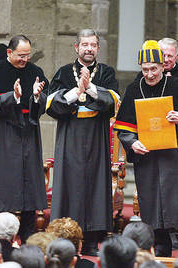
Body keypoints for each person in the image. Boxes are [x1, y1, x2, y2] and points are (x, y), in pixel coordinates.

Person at [114, 40, 178, 257]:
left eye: (154, 69)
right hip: (147, 156)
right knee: (152, 202)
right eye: (145, 69)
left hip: (175, 155)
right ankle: (161, 246)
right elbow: (124, 126)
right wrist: (132, 142)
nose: (150, 74)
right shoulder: (135, 88)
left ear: (163, 66)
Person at [47, 29, 119, 256]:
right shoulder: (63, 73)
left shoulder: (106, 73)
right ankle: (66, 240)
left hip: (97, 135)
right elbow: (50, 104)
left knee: (95, 186)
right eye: (85, 44)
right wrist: (76, 91)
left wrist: (91, 89)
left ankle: (90, 242)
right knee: (70, 185)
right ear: (76, 47)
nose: (89, 48)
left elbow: (115, 101)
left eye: (93, 45)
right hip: (70, 134)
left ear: (98, 48)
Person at [0, 35, 48, 242]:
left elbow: (44, 105)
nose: (24, 60)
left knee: (29, 182)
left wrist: (37, 96)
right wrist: (14, 96)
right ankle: (0, 236)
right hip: (2, 134)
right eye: (20, 55)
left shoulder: (35, 72)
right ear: (9, 52)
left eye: (27, 55)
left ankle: (28, 233)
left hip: (28, 133)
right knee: (3, 183)